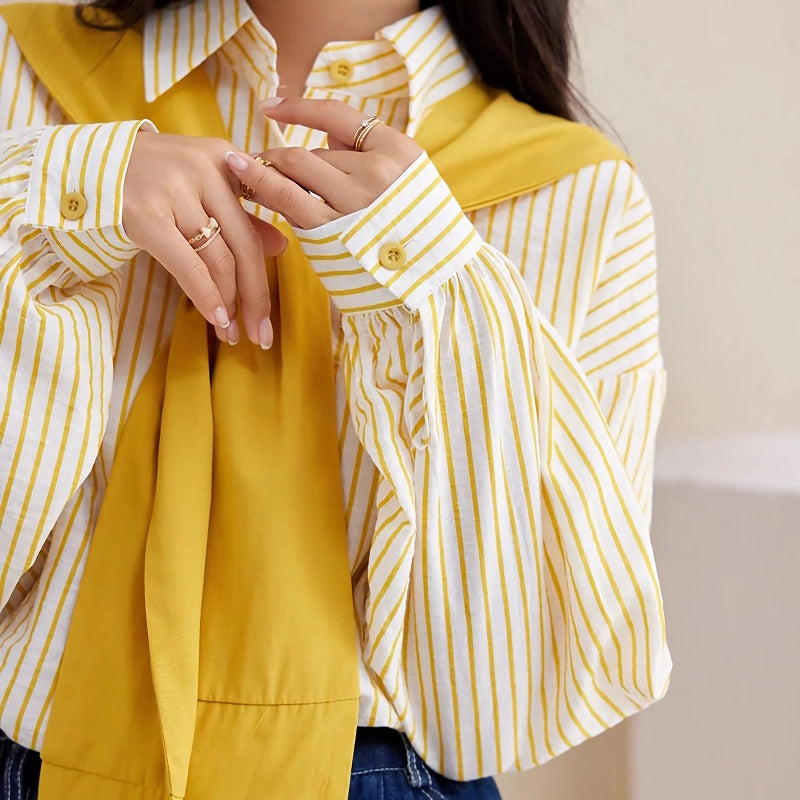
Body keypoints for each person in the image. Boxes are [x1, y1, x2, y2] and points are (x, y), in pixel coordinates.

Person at [0, 0, 672, 797]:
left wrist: (428, 277)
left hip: (384, 774)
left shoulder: (581, 197)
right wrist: (60, 188)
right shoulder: (21, 68)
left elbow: (497, 707)